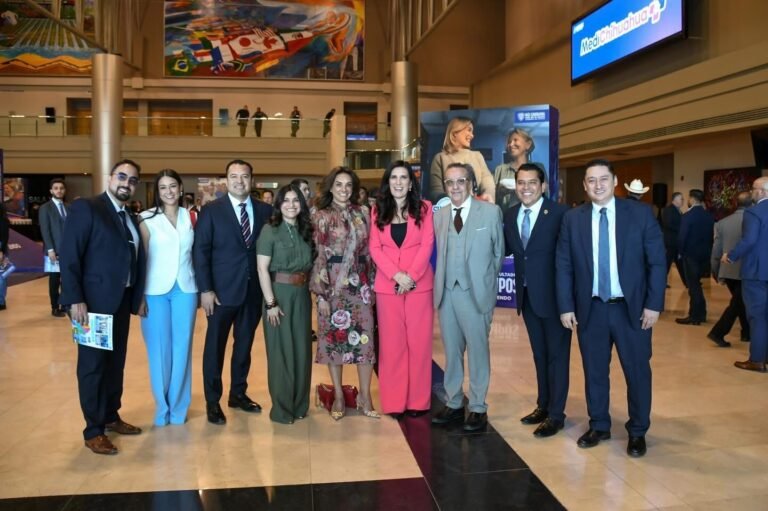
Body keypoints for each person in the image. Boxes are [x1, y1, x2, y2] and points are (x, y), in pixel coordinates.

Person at [556, 159, 665, 458]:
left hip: (632, 310)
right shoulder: (573, 219)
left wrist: (653, 304)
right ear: (584, 185)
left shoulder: (640, 214)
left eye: (603, 179)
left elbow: (657, 262)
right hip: (591, 309)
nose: (598, 185)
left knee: (637, 372)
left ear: (615, 181)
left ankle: (638, 430)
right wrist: (566, 306)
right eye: (591, 180)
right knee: (594, 372)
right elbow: (564, 265)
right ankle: (599, 425)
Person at [59, 159, 147, 455]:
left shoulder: (129, 216)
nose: (126, 183)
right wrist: (74, 298)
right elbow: (70, 255)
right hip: (91, 304)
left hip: (120, 301)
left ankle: (110, 415)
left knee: (114, 364)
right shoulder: (88, 208)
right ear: (110, 178)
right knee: (92, 366)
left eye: (132, 180)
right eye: (122, 176)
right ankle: (93, 430)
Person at [193, 159, 274, 425]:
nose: (240, 181)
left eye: (244, 176)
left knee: (244, 345)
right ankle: (212, 401)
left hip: (253, 292)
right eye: (234, 176)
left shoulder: (266, 211)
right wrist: (205, 289)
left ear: (252, 180)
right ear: (226, 180)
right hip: (220, 293)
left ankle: (238, 393)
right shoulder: (211, 211)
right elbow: (201, 251)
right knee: (214, 348)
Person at [431, 162, 504, 432]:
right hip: (447, 294)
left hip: (475, 294)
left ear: (471, 183)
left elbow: (498, 254)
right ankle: (453, 402)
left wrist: (483, 283)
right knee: (451, 352)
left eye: (460, 181)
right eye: (449, 182)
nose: (455, 187)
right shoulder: (440, 215)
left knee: (477, 351)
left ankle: (477, 407)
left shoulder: (490, 212)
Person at [503, 163, 571, 438]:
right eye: (521, 183)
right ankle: (543, 405)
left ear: (543, 186)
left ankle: (556, 415)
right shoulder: (510, 215)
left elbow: (568, 259)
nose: (526, 188)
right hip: (528, 297)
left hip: (555, 300)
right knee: (539, 354)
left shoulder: (560, 214)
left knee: (557, 357)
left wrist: (568, 302)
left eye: (532, 182)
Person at [309, 167, 378, 420]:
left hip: (360, 285)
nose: (344, 189)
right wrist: (321, 295)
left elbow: (370, 252)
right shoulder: (320, 215)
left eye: (348, 185)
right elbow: (317, 255)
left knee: (365, 341)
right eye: (338, 184)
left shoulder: (363, 213)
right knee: (334, 341)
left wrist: (372, 285)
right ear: (331, 187)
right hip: (332, 284)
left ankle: (365, 396)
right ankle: (338, 395)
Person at [369, 161, 434, 419]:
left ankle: (418, 401)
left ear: (410, 183)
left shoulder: (425, 208)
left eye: (403, 177)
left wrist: (411, 276)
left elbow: (427, 244)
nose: (398, 182)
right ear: (388, 182)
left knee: (419, 344)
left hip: (419, 285)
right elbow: (375, 248)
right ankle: (394, 402)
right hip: (388, 286)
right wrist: (396, 275)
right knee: (392, 345)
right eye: (393, 177)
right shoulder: (377, 210)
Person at [137, 169, 197, 426]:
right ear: (157, 192)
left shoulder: (192, 216)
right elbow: (140, 261)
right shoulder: (146, 218)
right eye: (163, 187)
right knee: (159, 351)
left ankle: (179, 408)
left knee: (182, 349)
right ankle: (162, 409)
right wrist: (138, 296)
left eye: (173, 186)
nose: (169, 191)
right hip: (154, 291)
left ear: (180, 188)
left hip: (186, 288)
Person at [256, 184, 314, 424]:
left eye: (296, 200)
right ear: (279, 204)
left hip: (302, 296)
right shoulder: (270, 230)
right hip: (278, 295)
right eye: (286, 200)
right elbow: (262, 269)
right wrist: (271, 303)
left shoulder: (305, 229)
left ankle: (300, 405)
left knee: (302, 351)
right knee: (281, 353)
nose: (291, 205)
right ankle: (282, 409)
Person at [723, 177, 768, 372]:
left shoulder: (753, 212)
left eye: (754, 189)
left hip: (756, 272)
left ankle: (757, 360)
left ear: (762, 192)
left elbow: (749, 240)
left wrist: (730, 256)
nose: (752, 192)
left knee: (757, 316)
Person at [708, 191, 752, 347]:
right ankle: (718, 332)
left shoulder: (722, 223)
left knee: (740, 302)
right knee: (737, 304)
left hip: (727, 270)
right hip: (746, 270)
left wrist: (715, 271)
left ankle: (746, 333)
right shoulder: (754, 220)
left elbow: (716, 250)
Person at [429, 117, 495, 204]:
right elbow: (436, 191)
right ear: (455, 133)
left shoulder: (477, 156)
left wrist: (488, 195)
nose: (472, 135)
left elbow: (487, 179)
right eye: (469, 130)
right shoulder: (440, 158)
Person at [676, 189, 714, 325]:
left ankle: (695, 316)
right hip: (705, 255)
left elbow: (682, 237)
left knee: (693, 286)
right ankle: (701, 313)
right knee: (697, 284)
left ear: (692, 199)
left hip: (690, 256)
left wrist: (680, 252)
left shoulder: (687, 216)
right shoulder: (708, 216)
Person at [38, 178, 69, 317]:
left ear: (64, 190)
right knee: (54, 280)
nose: (59, 190)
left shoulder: (69, 207)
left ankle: (65, 304)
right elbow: (45, 230)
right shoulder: (45, 208)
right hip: (53, 252)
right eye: (56, 188)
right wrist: (50, 249)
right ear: (51, 191)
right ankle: (55, 307)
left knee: (67, 279)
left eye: (61, 188)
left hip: (68, 251)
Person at [493, 128, 535, 213]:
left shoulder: (537, 168)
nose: (511, 144)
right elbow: (492, 200)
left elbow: (545, 195)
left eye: (515, 140)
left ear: (528, 144)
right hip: (505, 218)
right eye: (509, 142)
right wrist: (500, 194)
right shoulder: (500, 170)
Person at [661, 192, 686, 287]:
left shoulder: (678, 210)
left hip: (676, 242)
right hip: (670, 242)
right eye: (681, 199)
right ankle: (661, 282)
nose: (683, 200)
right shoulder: (669, 210)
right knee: (667, 263)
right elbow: (668, 224)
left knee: (680, 263)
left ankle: (687, 282)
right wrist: (681, 229)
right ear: (675, 200)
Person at [0, 203, 9, 311]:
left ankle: (1, 301)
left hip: (1, 249)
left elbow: (4, 237)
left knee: (1, 277)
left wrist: (1, 251)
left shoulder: (2, 221)